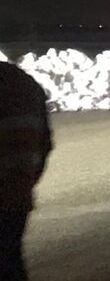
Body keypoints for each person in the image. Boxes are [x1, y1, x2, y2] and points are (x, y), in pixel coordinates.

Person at [0, 62, 53, 281]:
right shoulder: (23, 83)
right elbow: (45, 143)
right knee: (9, 259)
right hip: (17, 194)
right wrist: (25, 180)